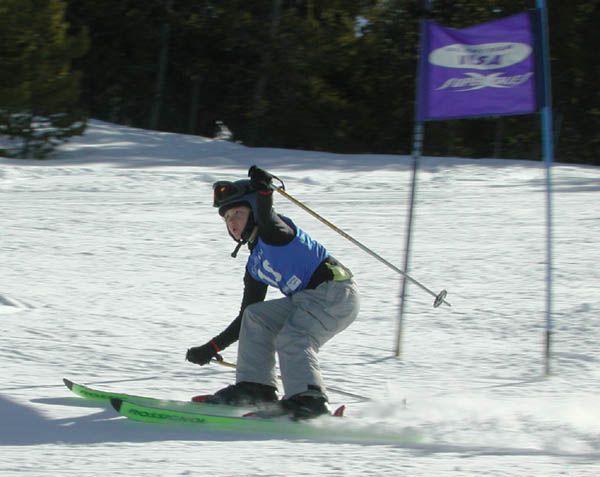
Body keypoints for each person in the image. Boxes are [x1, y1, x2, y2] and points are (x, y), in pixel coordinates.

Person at [186, 165, 360, 419]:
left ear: (255, 210)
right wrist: (212, 346)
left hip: (335, 293)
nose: (232, 223)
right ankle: (256, 389)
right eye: (226, 219)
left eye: (237, 213)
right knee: (256, 316)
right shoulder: (255, 264)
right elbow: (245, 317)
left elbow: (268, 219)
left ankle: (308, 399)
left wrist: (264, 192)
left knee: (294, 337)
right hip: (307, 301)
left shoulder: (276, 232)